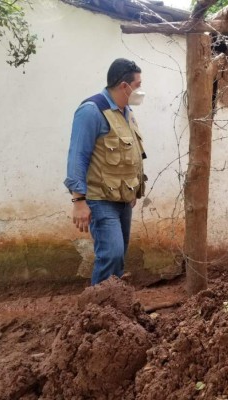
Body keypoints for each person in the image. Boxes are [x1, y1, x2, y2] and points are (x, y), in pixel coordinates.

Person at [64, 58, 147, 285]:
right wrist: (79, 200)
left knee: (118, 257)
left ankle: (112, 310)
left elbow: (132, 155)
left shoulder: (126, 112)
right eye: (137, 85)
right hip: (100, 199)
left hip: (122, 199)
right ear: (124, 86)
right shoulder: (92, 111)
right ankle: (96, 310)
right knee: (111, 254)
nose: (140, 89)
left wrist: (133, 190)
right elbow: (77, 156)